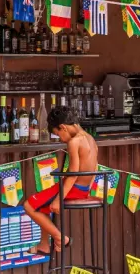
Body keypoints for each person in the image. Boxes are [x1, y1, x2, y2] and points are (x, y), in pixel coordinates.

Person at [23, 106, 98, 255]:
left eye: (58, 134)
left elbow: (73, 174)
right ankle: (44, 244)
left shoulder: (74, 142)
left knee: (29, 206)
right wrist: (88, 190)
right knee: (42, 203)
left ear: (63, 127)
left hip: (74, 188)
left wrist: (58, 199)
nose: (61, 139)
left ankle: (60, 238)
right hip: (83, 189)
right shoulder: (90, 138)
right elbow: (95, 167)